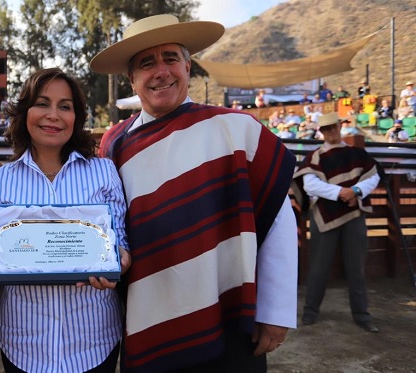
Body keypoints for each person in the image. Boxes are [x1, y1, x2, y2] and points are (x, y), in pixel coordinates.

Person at [90, 14, 298, 372]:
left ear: (187, 66)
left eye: (170, 58)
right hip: (145, 317)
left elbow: (278, 220)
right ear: (132, 78)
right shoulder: (113, 143)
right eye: (146, 63)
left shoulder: (236, 130)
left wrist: (274, 310)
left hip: (228, 315)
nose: (161, 71)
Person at [0, 67, 131, 373]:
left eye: (65, 106)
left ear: (77, 117)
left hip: (94, 342)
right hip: (23, 344)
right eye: (42, 103)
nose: (53, 115)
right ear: (25, 111)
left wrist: (118, 261)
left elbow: (120, 243)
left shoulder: (104, 172)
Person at [292, 111, 381, 333]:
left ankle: (362, 315)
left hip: (354, 214)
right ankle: (310, 312)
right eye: (326, 128)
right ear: (320, 132)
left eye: (334, 127)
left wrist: (356, 191)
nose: (331, 131)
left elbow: (373, 176)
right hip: (324, 216)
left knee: (356, 268)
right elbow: (310, 185)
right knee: (319, 267)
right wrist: (344, 192)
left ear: (340, 127)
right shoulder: (314, 157)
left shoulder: (357, 154)